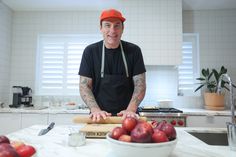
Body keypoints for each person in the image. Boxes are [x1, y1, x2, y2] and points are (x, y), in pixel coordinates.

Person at [79, 8, 146, 122]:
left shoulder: (134, 51)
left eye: (117, 26)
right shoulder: (90, 51)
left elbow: (140, 85)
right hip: (99, 117)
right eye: (107, 25)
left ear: (122, 29)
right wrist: (95, 110)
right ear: (101, 28)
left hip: (129, 117)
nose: (112, 30)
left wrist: (131, 110)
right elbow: (84, 86)